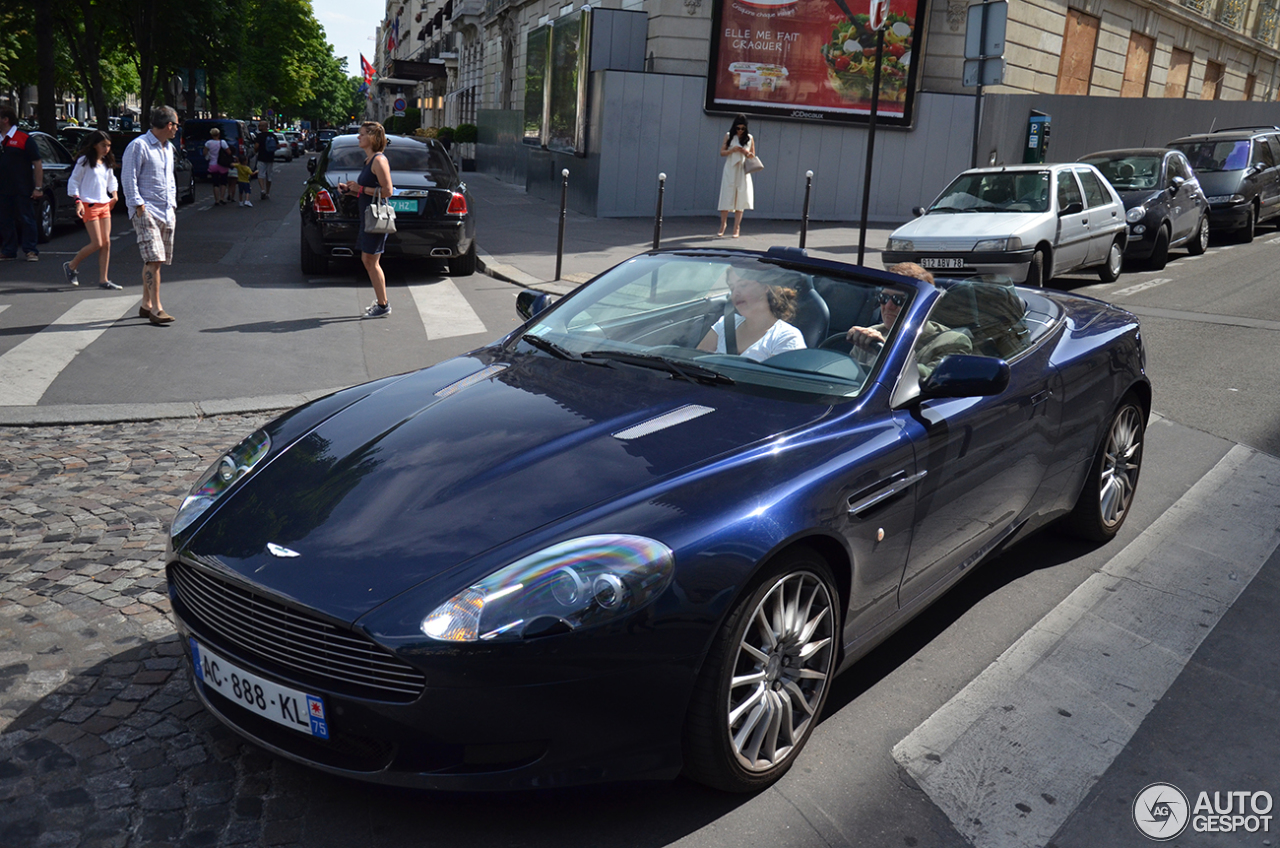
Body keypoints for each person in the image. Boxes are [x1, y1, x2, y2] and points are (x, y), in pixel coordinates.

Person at [846, 263, 972, 378]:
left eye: (899, 300)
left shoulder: (951, 342)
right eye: (883, 297)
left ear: (924, 305)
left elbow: (931, 380)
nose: (888, 306)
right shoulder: (871, 333)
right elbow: (852, 379)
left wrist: (885, 351)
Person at [122, 105, 180, 326]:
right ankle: (157, 308)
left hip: (166, 210)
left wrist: (173, 205)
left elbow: (170, 180)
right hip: (147, 210)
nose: (176, 129)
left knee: (154, 259)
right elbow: (129, 178)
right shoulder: (139, 146)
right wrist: (138, 205)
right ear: (168, 125)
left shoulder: (168, 148)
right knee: (154, 258)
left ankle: (146, 305)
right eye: (175, 124)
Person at [337, 121, 394, 318]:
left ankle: (383, 304)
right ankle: (382, 303)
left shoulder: (379, 160)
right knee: (368, 259)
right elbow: (368, 192)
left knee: (371, 260)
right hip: (368, 217)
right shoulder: (369, 160)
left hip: (376, 218)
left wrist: (360, 189)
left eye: (361, 134)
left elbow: (388, 191)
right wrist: (351, 190)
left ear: (371, 137)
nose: (358, 137)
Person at [697, 266, 805, 362]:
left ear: (766, 287)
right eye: (732, 288)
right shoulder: (724, 324)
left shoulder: (787, 337)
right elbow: (696, 363)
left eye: (743, 285)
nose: (735, 293)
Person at [62, 130, 120, 289]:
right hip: (90, 205)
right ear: (95, 145)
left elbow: (111, 180)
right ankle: (71, 266)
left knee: (106, 243)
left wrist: (114, 195)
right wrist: (78, 201)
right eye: (103, 145)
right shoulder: (84, 161)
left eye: (108, 146)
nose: (106, 149)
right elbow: (73, 182)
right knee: (97, 243)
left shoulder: (106, 162)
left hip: (104, 204)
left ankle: (104, 279)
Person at [0, 104, 43, 262]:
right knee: (4, 219)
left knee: (26, 218)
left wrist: (38, 187)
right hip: (3, 188)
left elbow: (37, 163)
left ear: (5, 120)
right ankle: (9, 249)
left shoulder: (24, 138)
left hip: (22, 187)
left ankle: (30, 249)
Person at [716, 114, 755, 239]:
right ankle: (723, 225)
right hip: (730, 168)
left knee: (741, 197)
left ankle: (736, 227)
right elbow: (722, 152)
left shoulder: (749, 138)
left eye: (742, 128)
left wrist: (746, 152)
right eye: (738, 128)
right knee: (727, 195)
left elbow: (753, 156)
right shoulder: (729, 136)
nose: (740, 131)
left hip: (742, 170)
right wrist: (732, 150)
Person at [204, 127, 231, 205]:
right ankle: (222, 198)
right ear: (219, 134)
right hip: (222, 164)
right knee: (223, 182)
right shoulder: (223, 142)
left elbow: (204, 153)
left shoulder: (208, 143)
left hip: (213, 164)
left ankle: (216, 200)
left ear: (211, 135)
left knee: (215, 183)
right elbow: (229, 152)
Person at [256, 120, 275, 199]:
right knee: (269, 176)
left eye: (260, 126)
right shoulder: (272, 135)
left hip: (261, 157)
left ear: (264, 127)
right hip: (270, 157)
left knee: (261, 174)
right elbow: (277, 146)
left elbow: (256, 146)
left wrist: (255, 151)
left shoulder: (260, 136)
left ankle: (262, 189)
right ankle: (268, 192)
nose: (258, 127)